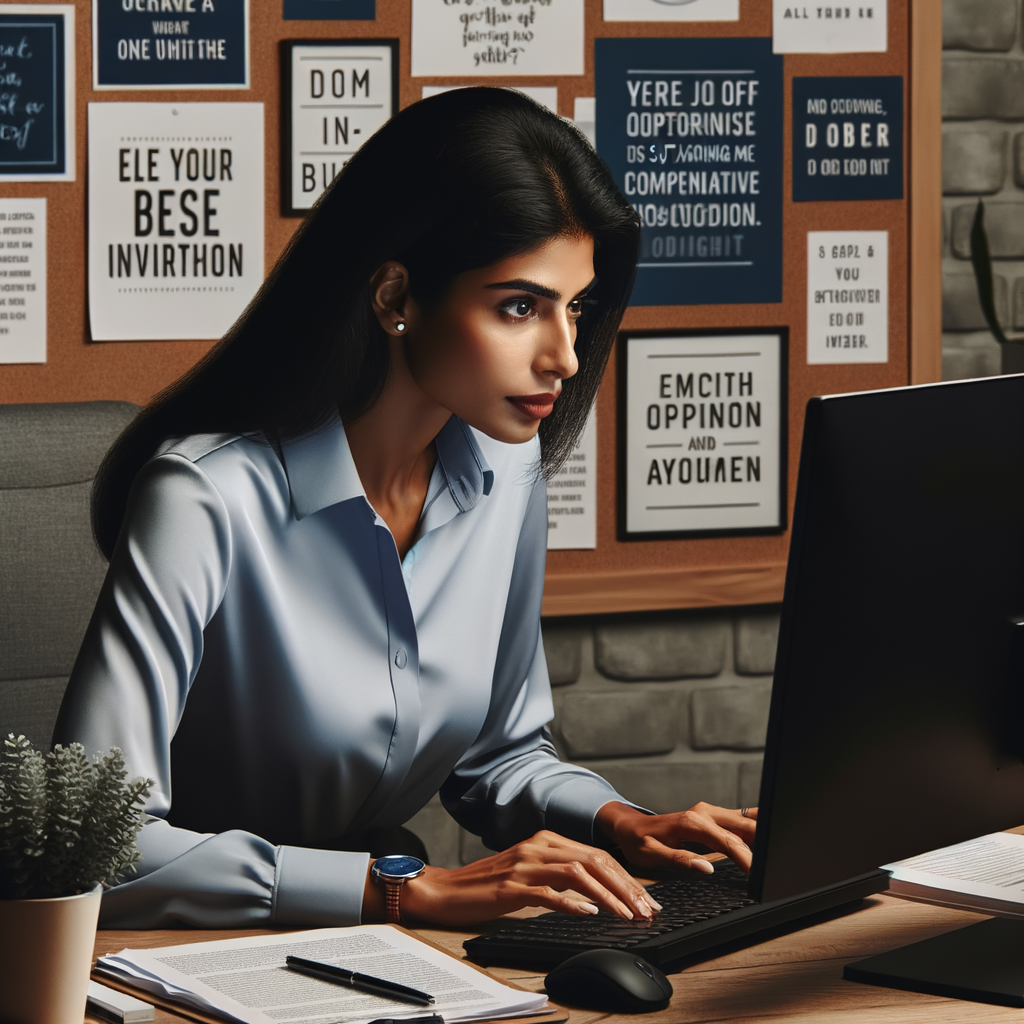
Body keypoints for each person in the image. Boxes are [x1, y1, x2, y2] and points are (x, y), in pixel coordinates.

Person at [54, 88, 756, 930]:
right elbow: (94, 845)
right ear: (396, 298)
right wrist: (398, 890)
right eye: (520, 307)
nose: (565, 356)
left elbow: (500, 755)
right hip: (186, 956)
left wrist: (620, 822)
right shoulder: (205, 498)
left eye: (577, 308)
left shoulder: (508, 466)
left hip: (393, 944)